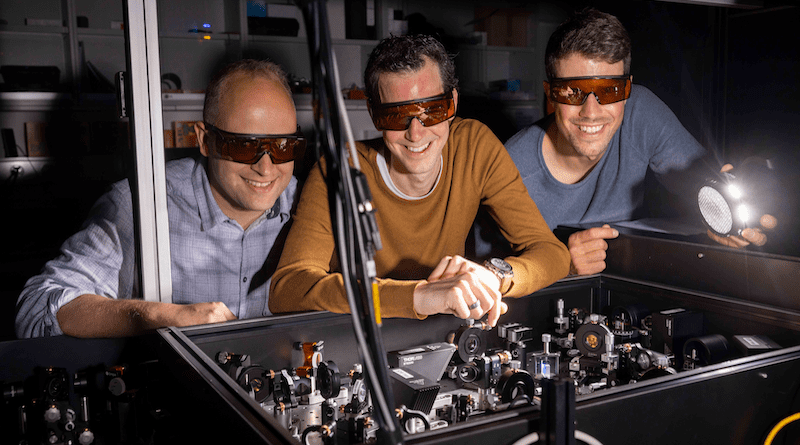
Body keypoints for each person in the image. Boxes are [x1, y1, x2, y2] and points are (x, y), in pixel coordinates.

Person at [269, 35, 570, 327]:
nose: (416, 133)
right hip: (358, 338)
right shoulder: (339, 170)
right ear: (375, 116)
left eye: (432, 110)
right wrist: (417, 296)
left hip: (442, 336)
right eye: (396, 116)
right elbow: (288, 289)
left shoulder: (475, 147)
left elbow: (552, 254)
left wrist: (494, 276)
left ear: (452, 102)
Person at [16, 59, 304, 338]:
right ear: (204, 140)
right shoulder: (138, 204)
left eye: (283, 146)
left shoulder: (307, 205)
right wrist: (166, 317)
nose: (266, 168)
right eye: (244, 146)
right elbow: (37, 309)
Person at [502, 8, 768, 276]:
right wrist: (562, 265)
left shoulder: (640, 113)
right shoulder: (508, 171)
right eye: (573, 92)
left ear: (627, 90)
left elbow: (704, 187)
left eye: (610, 91)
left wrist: (733, 219)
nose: (591, 112)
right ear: (550, 94)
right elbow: (489, 279)